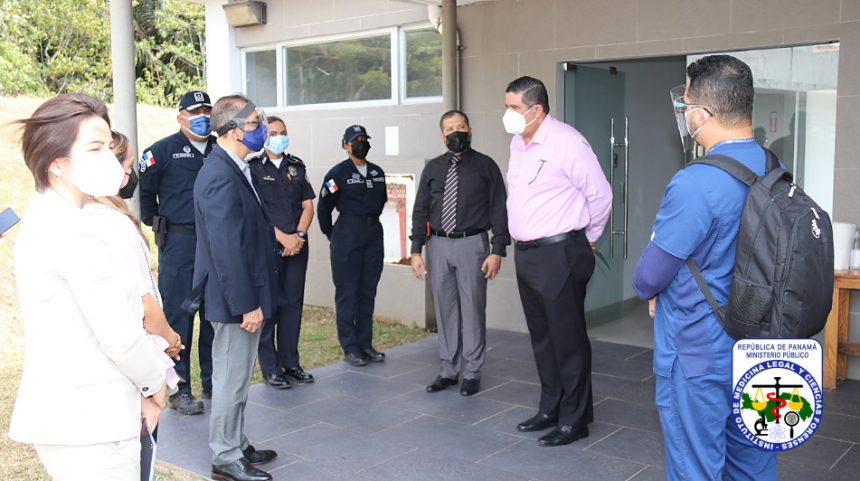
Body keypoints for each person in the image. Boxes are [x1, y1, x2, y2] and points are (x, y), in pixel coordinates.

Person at [632, 55, 777, 481]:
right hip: (761, 343)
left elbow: (649, 276)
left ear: (703, 113)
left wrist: (655, 291)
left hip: (700, 350)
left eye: (687, 104)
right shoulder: (775, 169)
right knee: (752, 461)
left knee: (696, 465)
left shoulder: (696, 182)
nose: (685, 113)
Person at [10, 93, 167, 480]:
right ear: (58, 164)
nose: (109, 159)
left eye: (107, 146)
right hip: (92, 420)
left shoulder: (54, 218)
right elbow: (119, 335)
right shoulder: (73, 231)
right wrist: (155, 382)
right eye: (94, 148)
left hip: (77, 415)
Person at [503, 76, 612, 447]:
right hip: (528, 253)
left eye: (514, 108)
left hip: (560, 252)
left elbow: (600, 196)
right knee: (543, 338)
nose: (509, 115)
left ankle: (575, 419)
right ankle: (550, 408)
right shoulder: (519, 144)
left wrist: (588, 240)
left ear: (536, 109)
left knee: (567, 339)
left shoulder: (567, 141)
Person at [187, 95, 281, 481]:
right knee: (229, 377)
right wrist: (246, 304)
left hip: (244, 292)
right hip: (234, 298)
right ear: (232, 129)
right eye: (256, 123)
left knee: (239, 376)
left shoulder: (235, 166)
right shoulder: (218, 174)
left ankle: (237, 442)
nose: (261, 129)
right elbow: (225, 249)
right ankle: (225, 456)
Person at [410, 110, 510, 396]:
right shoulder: (433, 169)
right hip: (438, 245)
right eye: (450, 128)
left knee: (473, 308)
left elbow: (499, 209)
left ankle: (472, 371)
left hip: (473, 245)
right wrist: (416, 250)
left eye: (460, 126)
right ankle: (448, 369)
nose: (456, 132)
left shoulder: (486, 166)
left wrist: (497, 249)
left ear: (470, 130)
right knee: (445, 309)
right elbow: (420, 211)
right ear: (442, 135)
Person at [139, 90, 216, 415]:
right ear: (180, 116)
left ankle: (214, 382)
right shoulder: (162, 151)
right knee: (179, 316)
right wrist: (162, 225)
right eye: (194, 110)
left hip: (216, 244)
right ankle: (180, 388)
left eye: (206, 110)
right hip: (180, 243)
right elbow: (145, 197)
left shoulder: (221, 148)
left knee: (215, 316)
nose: (202, 116)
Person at [249, 116, 315, 389]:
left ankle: (291, 363)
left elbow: (308, 205)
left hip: (297, 245)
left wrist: (298, 236)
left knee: (292, 304)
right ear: (264, 136)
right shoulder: (252, 168)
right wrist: (283, 238)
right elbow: (254, 211)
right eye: (274, 132)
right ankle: (271, 368)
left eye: (283, 132)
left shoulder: (296, 166)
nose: (279, 136)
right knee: (270, 305)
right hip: (269, 245)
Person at [317, 125, 388, 367]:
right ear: (345, 145)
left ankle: (365, 344)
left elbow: (382, 201)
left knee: (368, 291)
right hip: (347, 233)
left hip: (373, 234)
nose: (361, 143)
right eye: (355, 140)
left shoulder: (378, 172)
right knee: (347, 293)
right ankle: (350, 346)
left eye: (364, 139)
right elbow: (324, 207)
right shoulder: (337, 174)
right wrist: (333, 235)